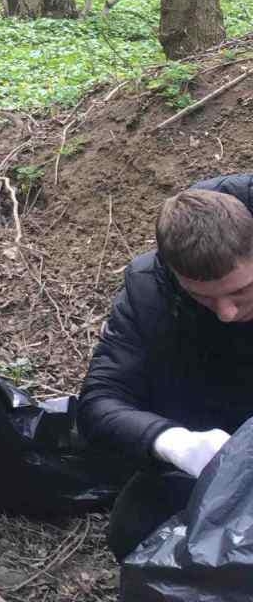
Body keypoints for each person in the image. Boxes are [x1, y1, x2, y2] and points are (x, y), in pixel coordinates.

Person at [77, 177, 253, 561]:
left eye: (242, 292)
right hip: (213, 445)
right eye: (202, 297)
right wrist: (178, 445)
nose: (227, 313)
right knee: (134, 536)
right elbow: (99, 401)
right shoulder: (148, 292)